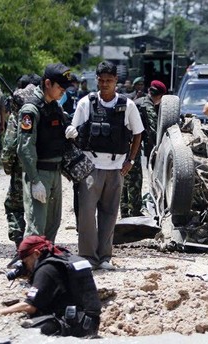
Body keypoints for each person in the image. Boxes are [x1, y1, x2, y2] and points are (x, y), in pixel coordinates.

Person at [65, 61, 144, 270]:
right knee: (87, 214)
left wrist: (131, 160)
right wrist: (71, 133)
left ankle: (105, 257)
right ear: (97, 80)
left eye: (109, 81)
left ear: (116, 81)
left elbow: (138, 133)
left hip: (116, 168)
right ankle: (88, 257)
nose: (105, 84)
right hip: (90, 167)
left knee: (109, 214)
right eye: (101, 81)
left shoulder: (127, 105)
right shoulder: (86, 103)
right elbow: (74, 130)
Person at [0, 236, 101, 338]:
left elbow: (30, 306)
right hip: (89, 324)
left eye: (25, 261)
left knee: (23, 329)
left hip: (73, 326)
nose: (25, 265)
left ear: (36, 254)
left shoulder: (47, 269)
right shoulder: (65, 259)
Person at [17, 63, 72, 242]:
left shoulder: (54, 106)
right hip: (39, 174)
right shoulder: (31, 110)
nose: (63, 91)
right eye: (60, 87)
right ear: (48, 83)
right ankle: (29, 266)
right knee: (36, 226)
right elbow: (25, 148)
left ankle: (45, 264)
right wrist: (34, 181)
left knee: (52, 225)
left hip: (55, 172)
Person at [2, 75, 41, 248]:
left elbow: (10, 144)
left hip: (21, 167)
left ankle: (20, 241)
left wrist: (7, 166)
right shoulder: (44, 108)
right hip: (43, 166)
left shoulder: (18, 114)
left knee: (14, 205)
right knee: (39, 206)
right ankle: (40, 241)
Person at [121, 80, 167, 218]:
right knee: (135, 178)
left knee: (124, 176)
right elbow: (153, 130)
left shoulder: (138, 101)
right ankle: (134, 211)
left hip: (121, 143)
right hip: (131, 143)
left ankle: (124, 211)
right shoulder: (147, 106)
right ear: (160, 96)